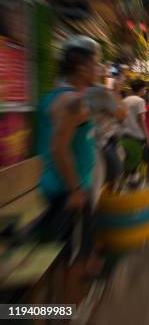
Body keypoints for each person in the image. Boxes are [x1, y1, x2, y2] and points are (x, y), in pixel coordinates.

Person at [36, 35, 101, 273]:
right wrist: (75, 189)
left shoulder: (53, 97)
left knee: (71, 254)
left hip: (65, 187)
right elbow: (58, 148)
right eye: (96, 63)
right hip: (68, 192)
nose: (100, 68)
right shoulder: (73, 102)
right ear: (82, 68)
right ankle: (63, 308)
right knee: (64, 261)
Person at [84, 70, 127, 195]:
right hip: (101, 144)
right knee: (117, 169)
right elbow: (122, 115)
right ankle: (111, 192)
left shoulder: (68, 90)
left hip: (86, 142)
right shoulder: (101, 92)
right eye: (95, 64)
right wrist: (117, 91)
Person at [121, 79, 149, 176]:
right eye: (145, 89)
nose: (145, 91)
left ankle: (126, 177)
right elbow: (141, 121)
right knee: (136, 158)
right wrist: (147, 136)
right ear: (141, 89)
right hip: (135, 135)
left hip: (123, 135)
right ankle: (131, 178)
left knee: (126, 158)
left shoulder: (124, 100)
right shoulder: (140, 101)